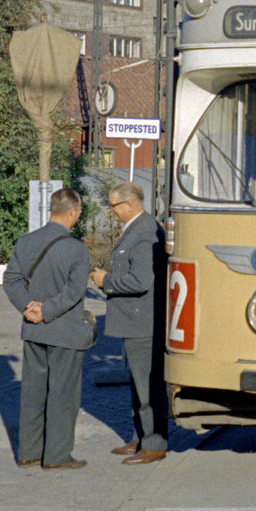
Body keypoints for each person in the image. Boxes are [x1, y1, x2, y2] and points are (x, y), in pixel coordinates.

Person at [2, 188, 90, 470]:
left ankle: (29, 452)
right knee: (63, 394)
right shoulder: (77, 249)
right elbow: (74, 292)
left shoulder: (26, 242)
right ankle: (57, 456)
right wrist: (47, 311)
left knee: (32, 392)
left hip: (33, 330)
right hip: (65, 332)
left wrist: (29, 307)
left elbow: (11, 280)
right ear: (73, 213)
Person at [89, 182, 168, 465]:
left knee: (147, 386)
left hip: (142, 323)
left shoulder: (145, 232)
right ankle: (141, 438)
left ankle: (154, 443)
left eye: (114, 205)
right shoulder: (138, 228)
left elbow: (141, 280)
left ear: (131, 204)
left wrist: (106, 281)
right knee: (138, 383)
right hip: (135, 322)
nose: (111, 211)